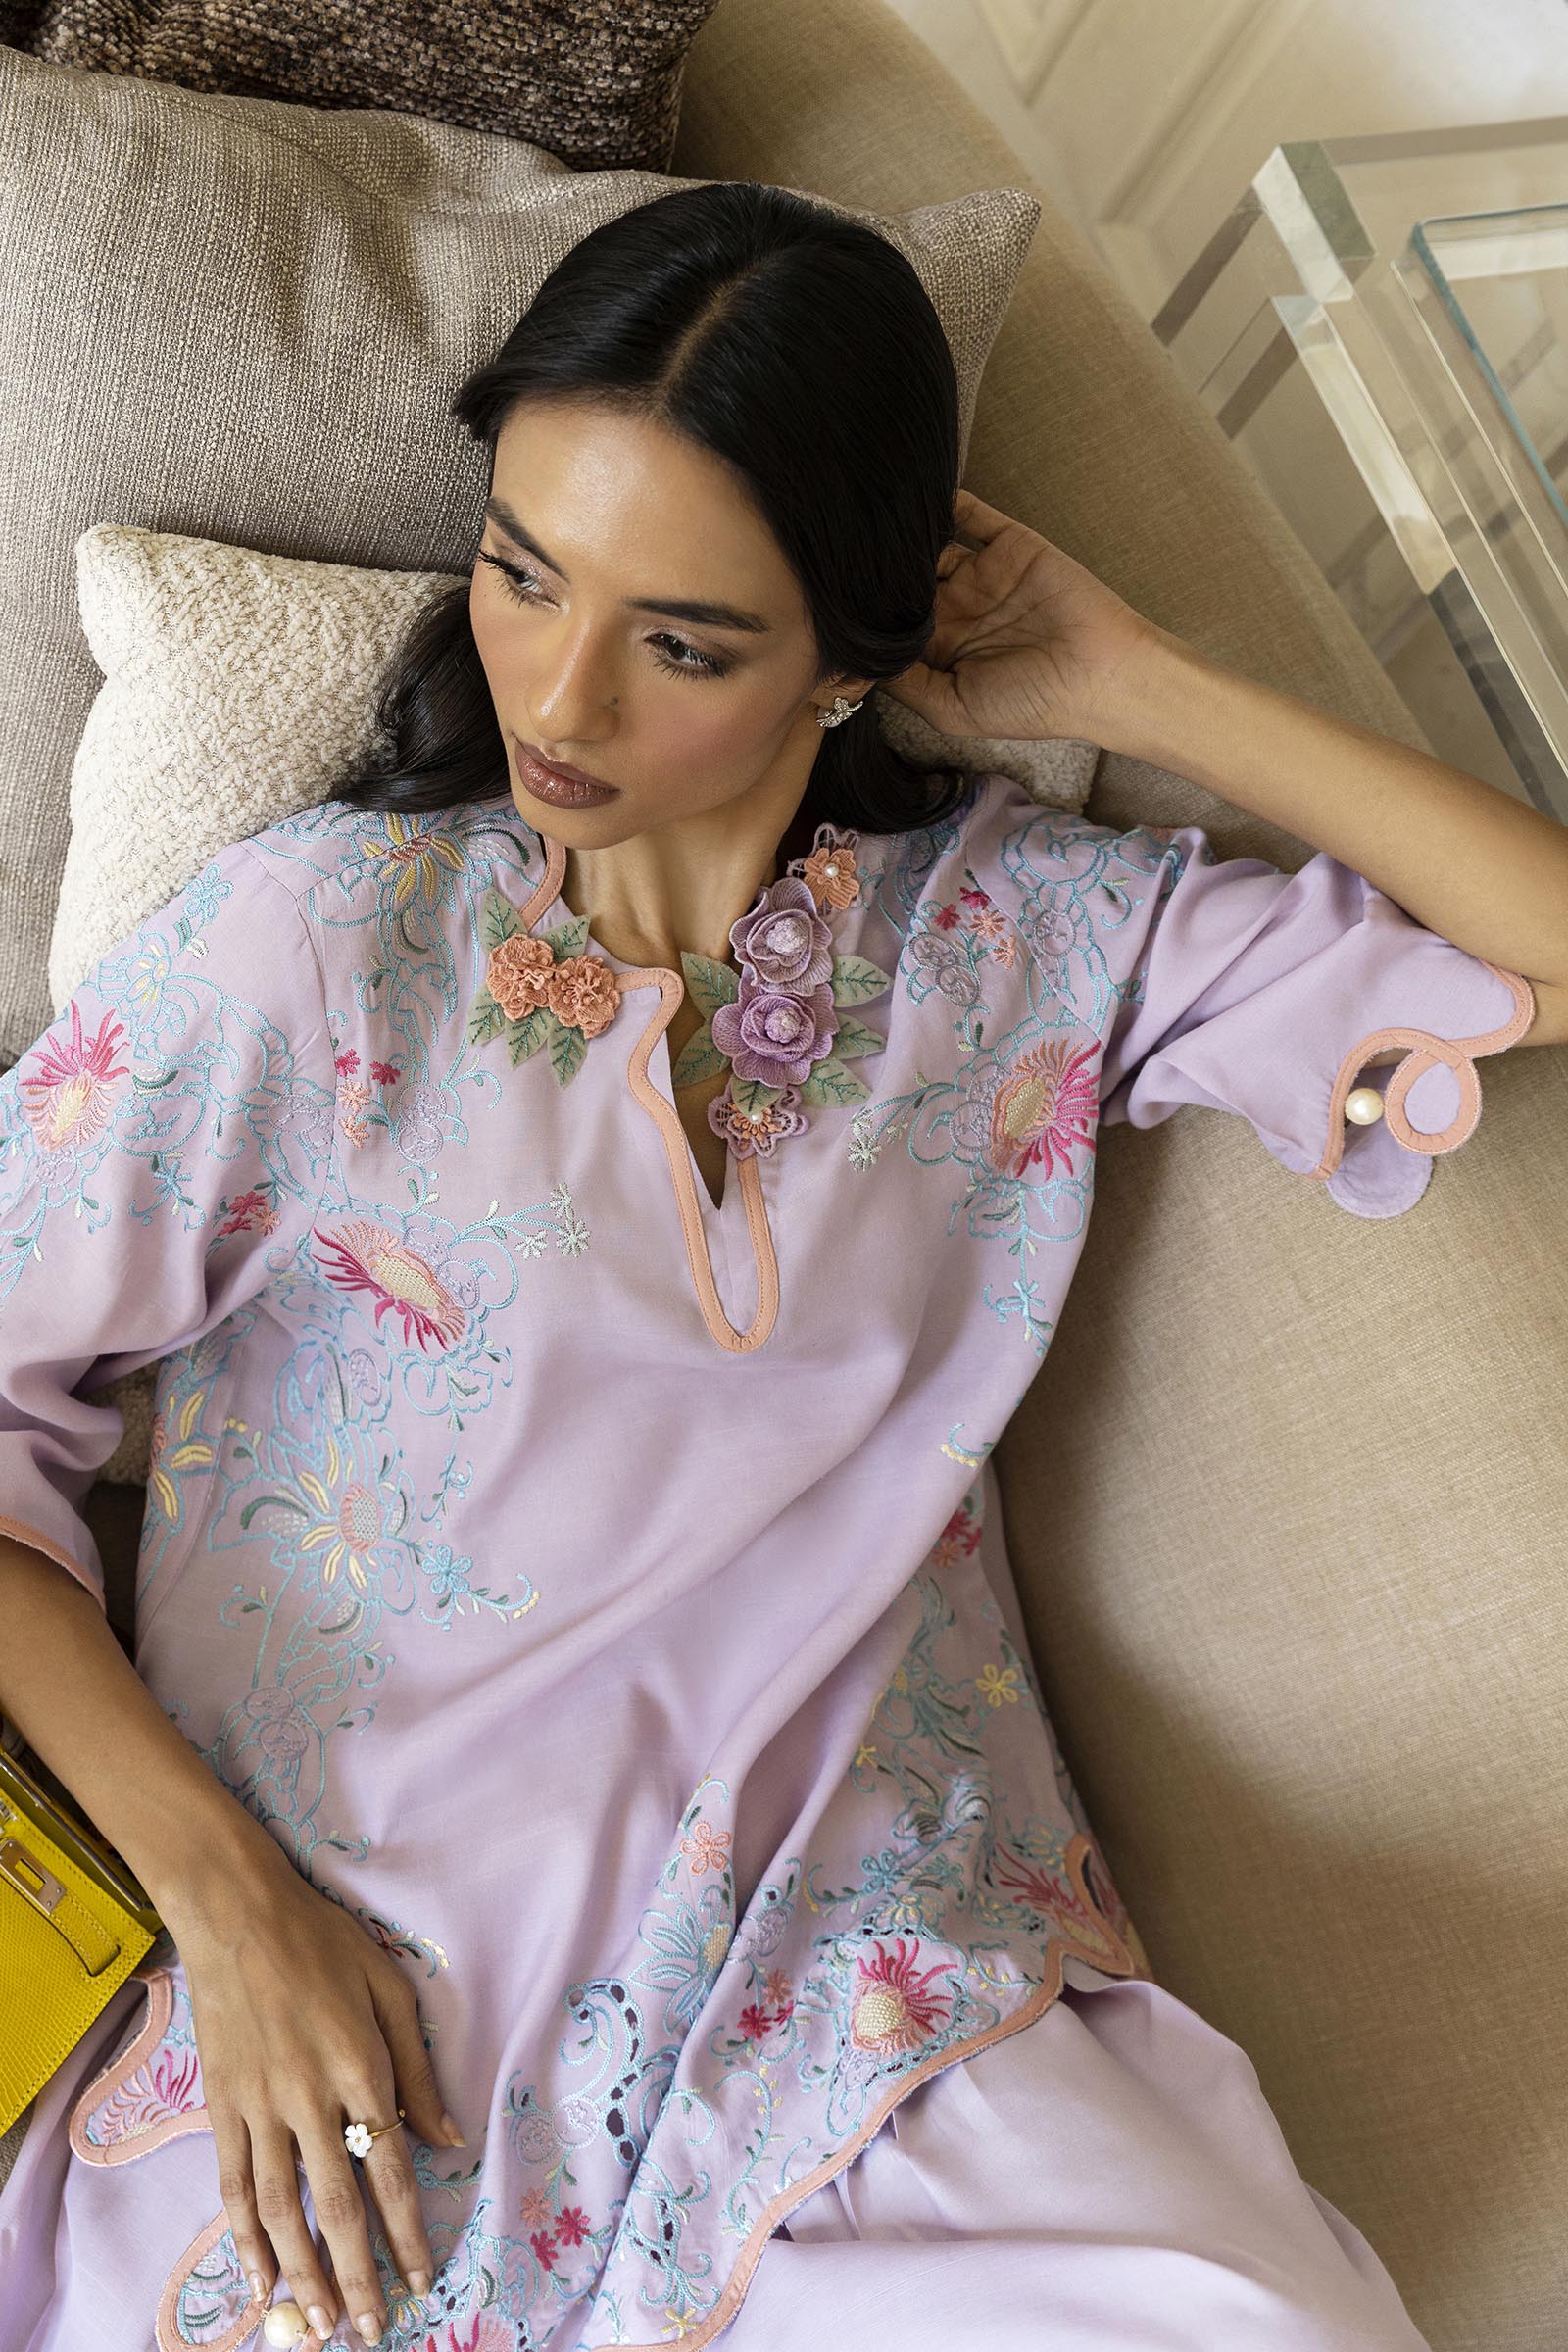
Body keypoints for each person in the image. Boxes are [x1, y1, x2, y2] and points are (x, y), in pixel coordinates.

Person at [0, 176, 1560, 2352]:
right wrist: (224, 1904)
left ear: (848, 654)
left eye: (685, 643)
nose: (556, 694)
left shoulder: (1022, 945)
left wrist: (1135, 679)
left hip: (858, 2023)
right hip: (343, 2020)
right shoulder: (318, 948)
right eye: (521, 570)